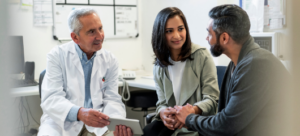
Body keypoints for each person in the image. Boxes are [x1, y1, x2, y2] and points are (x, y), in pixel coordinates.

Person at [174, 4, 290, 136]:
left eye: (209, 33)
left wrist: (189, 119)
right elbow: (226, 117)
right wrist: (192, 115)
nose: (207, 38)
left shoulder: (256, 64)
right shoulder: (238, 63)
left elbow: (227, 124)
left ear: (224, 38)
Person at [38, 8, 133, 136]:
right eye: (92, 32)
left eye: (100, 28)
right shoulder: (57, 56)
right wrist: (79, 113)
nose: (100, 36)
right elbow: (51, 99)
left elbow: (112, 99)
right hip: (62, 124)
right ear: (75, 37)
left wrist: (117, 122)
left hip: (99, 124)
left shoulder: (109, 60)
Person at [143, 7, 220, 136]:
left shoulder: (202, 56)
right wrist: (163, 112)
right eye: (169, 31)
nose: (177, 36)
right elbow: (161, 103)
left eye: (180, 29)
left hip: (196, 126)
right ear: (161, 34)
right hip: (172, 128)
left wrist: (190, 112)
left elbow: (212, 99)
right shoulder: (158, 66)